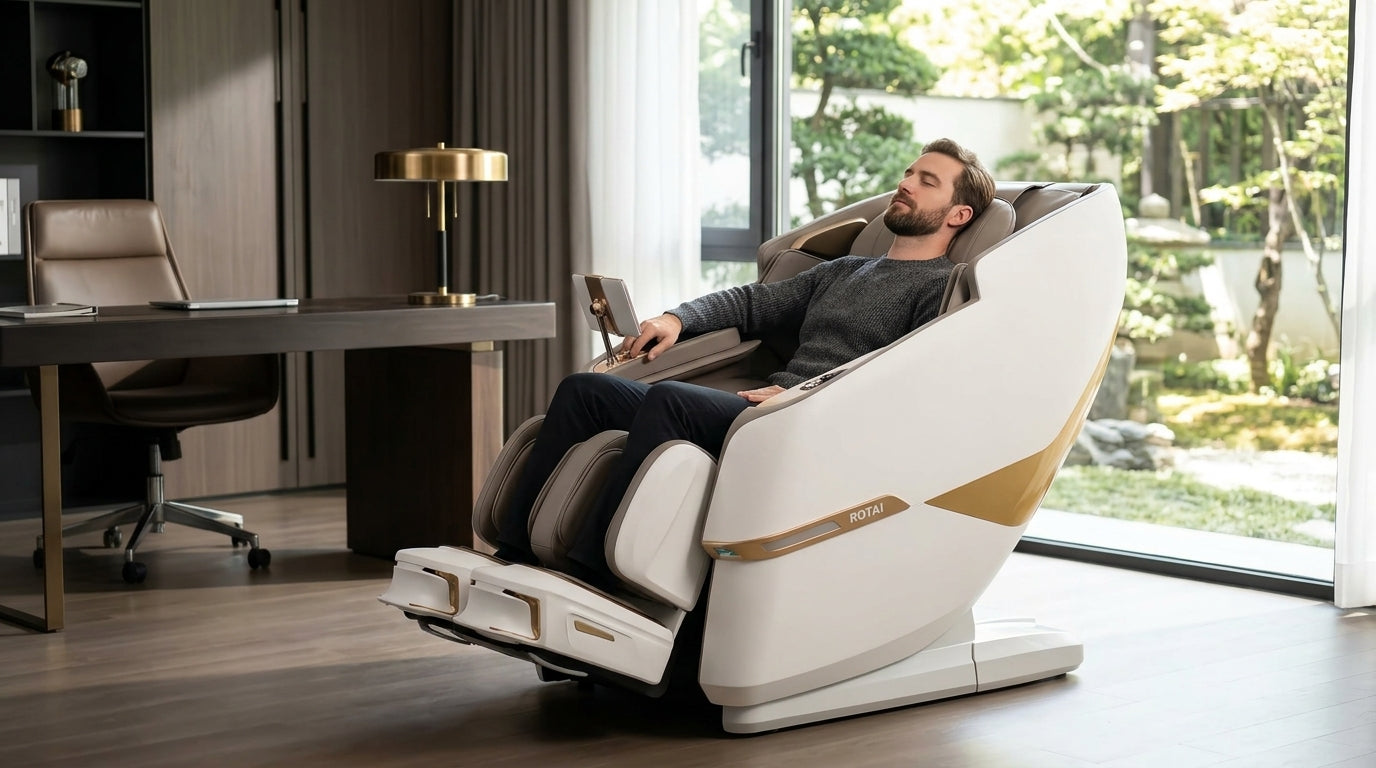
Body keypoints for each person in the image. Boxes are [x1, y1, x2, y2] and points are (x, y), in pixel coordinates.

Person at [493, 137, 996, 590]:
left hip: (809, 419)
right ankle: (513, 552)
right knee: (585, 390)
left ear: (958, 215)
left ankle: (591, 572)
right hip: (763, 407)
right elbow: (751, 303)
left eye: (926, 181)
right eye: (908, 173)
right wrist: (676, 318)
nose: (905, 184)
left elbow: (904, 372)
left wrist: (810, 393)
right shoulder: (844, 270)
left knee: (670, 400)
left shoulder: (940, 286)